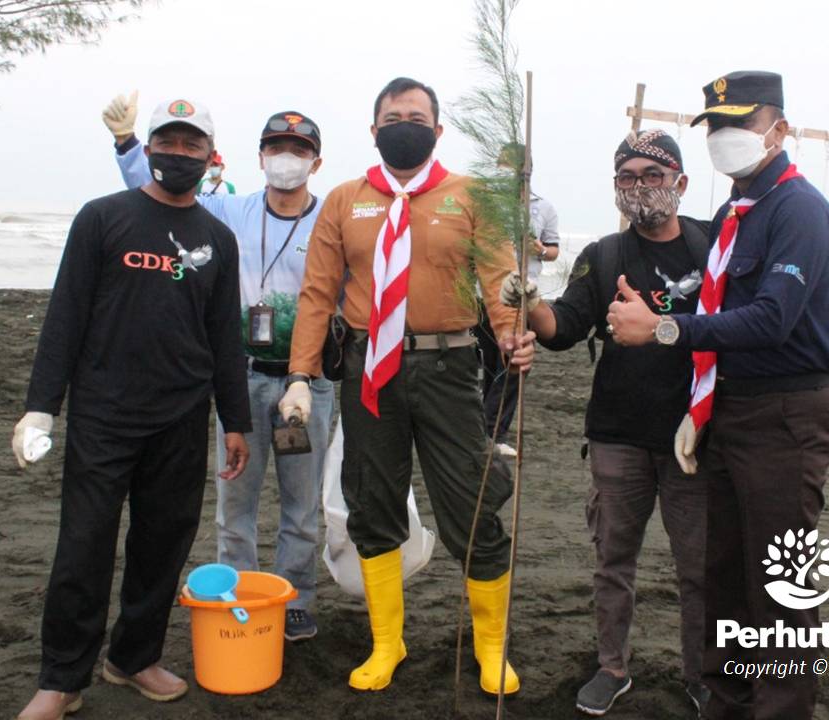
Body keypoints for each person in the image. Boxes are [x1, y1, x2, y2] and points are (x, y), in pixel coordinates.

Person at [281, 77, 536, 695]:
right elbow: (318, 294)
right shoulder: (345, 201)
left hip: (448, 371)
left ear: (437, 129)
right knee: (372, 504)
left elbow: (501, 278)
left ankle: (490, 648)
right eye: (392, 116)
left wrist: (511, 332)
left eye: (416, 116)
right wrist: (298, 375)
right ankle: (387, 642)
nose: (404, 123)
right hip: (369, 370)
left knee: (471, 508)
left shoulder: (471, 195)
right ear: (374, 131)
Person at [607, 71, 829, 720]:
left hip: (786, 415)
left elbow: (772, 319)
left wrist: (660, 328)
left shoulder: (798, 211)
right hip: (730, 411)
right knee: (724, 579)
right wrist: (701, 405)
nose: (725, 138)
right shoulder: (737, 214)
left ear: (780, 129)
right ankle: (728, 704)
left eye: (740, 124)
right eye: (715, 126)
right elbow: (715, 304)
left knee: (780, 588)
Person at [11, 98, 250, 720]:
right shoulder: (102, 218)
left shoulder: (218, 239)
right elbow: (64, 317)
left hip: (181, 417)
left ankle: (133, 657)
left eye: (191, 144)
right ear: (148, 149)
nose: (177, 153)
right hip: (103, 415)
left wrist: (236, 422)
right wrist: (41, 408)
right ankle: (62, 678)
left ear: (209, 157)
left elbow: (225, 339)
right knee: (83, 545)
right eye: (166, 142)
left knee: (162, 544)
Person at [103, 93, 335, 641]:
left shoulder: (331, 217)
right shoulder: (230, 210)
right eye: (276, 147)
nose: (286, 157)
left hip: (309, 382)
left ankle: (297, 599)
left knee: (302, 505)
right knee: (237, 501)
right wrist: (126, 144)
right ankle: (241, 594)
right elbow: (164, 193)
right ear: (259, 157)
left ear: (316, 162)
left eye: (298, 150)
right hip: (243, 376)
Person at [502, 129, 710, 716]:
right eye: (627, 177)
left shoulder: (712, 246)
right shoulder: (604, 255)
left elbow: (739, 326)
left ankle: (700, 673)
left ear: (680, 183)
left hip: (695, 435)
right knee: (612, 560)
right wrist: (530, 304)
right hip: (617, 432)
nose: (640, 187)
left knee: (699, 564)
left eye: (653, 175)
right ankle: (612, 666)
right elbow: (565, 326)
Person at [476, 142, 560, 458]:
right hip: (485, 295)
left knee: (515, 365)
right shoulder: (486, 205)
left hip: (522, 296)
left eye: (512, 168)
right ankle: (486, 429)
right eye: (502, 167)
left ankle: (492, 431)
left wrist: (538, 248)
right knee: (491, 362)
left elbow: (553, 251)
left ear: (527, 172)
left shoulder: (543, 208)